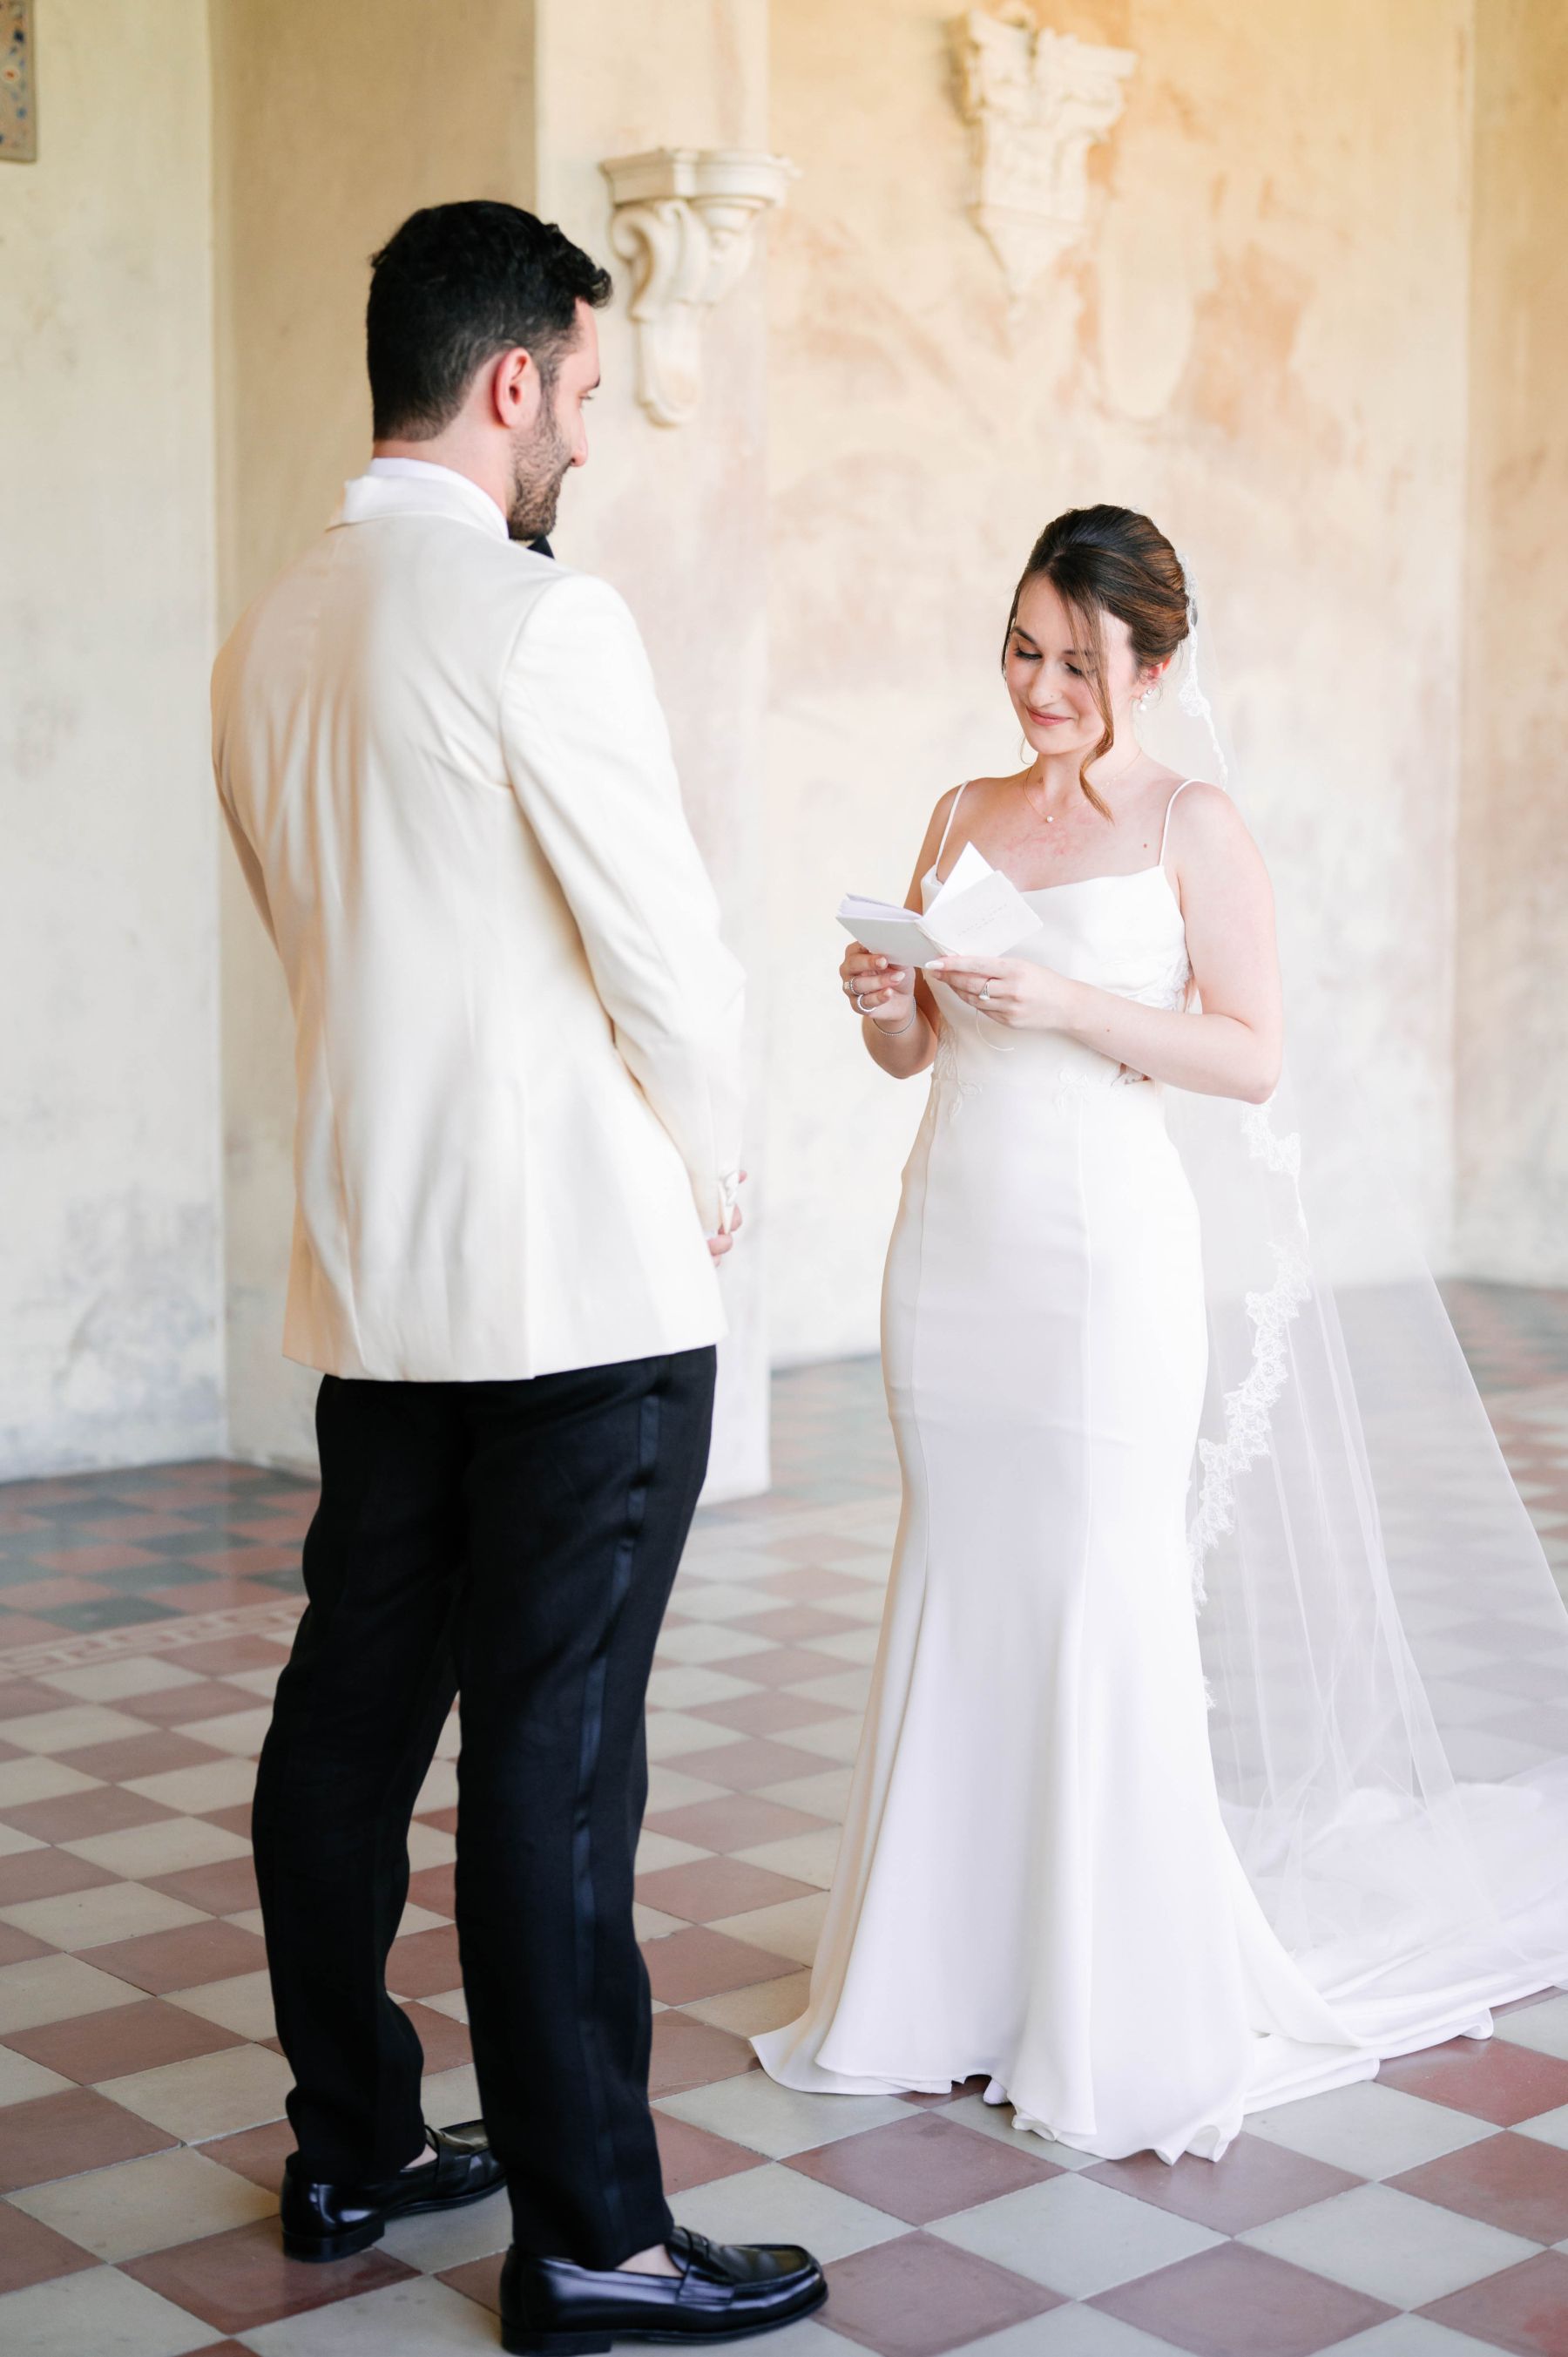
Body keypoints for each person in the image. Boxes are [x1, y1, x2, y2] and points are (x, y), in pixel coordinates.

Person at [754, 504, 1568, 2162]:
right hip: (951, 1252)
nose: (1040, 688)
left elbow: (1252, 1053)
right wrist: (889, 1003)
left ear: (1154, 665)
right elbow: (916, 1059)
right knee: (964, 1574)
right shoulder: (960, 811)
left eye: (1079, 661)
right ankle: (943, 1983)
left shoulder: (1195, 822)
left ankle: (1101, 1992)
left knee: (1095, 1587)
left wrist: (1071, 1004)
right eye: (1022, 649)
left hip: (1102, 1266)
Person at [212, 200, 825, 2351]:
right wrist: (721, 1170)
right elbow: (666, 954)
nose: (582, 432)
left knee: (347, 1723)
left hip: (379, 1287)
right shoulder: (537, 619)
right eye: (579, 390)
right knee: (556, 1765)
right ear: (510, 382)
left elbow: (330, 945)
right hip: (578, 1291)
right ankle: (595, 2242)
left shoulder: (269, 631)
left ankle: (356, 2139)